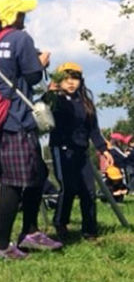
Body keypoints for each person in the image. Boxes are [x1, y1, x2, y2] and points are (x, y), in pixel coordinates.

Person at [0, 0, 62, 259]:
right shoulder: (20, 38)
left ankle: (29, 232)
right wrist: (41, 63)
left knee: (37, 174)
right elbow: (32, 78)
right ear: (13, 14)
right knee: (13, 183)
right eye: (22, 11)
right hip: (17, 122)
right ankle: (2, 246)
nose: (25, 16)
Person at [43, 62, 113, 240]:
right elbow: (41, 109)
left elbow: (93, 129)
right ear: (59, 81)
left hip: (82, 151)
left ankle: (90, 229)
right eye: (66, 78)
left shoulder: (85, 103)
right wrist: (49, 92)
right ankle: (61, 222)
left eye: (75, 78)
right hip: (62, 148)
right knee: (68, 187)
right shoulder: (55, 100)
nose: (71, 82)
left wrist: (103, 149)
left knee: (89, 190)